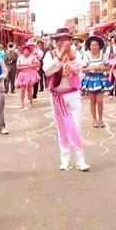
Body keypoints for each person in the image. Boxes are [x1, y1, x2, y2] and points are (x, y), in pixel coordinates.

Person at [43, 28, 90, 171]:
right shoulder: (49, 54)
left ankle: (80, 160)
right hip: (57, 95)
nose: (63, 42)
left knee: (76, 128)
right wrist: (60, 56)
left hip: (73, 94)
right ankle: (65, 159)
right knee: (61, 129)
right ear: (56, 41)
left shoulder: (75, 53)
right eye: (60, 39)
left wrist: (69, 55)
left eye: (66, 39)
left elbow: (78, 69)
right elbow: (48, 70)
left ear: (70, 40)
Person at [81, 35, 112, 128]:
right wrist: (89, 68)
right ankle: (94, 120)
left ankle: (101, 119)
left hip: (100, 79)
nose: (94, 47)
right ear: (89, 47)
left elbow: (108, 67)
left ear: (99, 46)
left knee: (99, 101)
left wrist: (101, 68)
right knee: (92, 101)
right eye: (92, 45)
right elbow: (83, 69)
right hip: (90, 79)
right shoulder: (86, 56)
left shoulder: (103, 56)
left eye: (95, 45)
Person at [16, 43, 40, 109]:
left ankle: (31, 102)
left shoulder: (32, 57)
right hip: (23, 74)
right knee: (22, 89)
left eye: (27, 50)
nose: (26, 51)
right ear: (23, 51)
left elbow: (37, 64)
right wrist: (23, 68)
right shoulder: (20, 58)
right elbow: (17, 67)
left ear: (29, 51)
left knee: (29, 89)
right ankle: (22, 104)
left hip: (30, 74)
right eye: (25, 50)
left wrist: (30, 66)